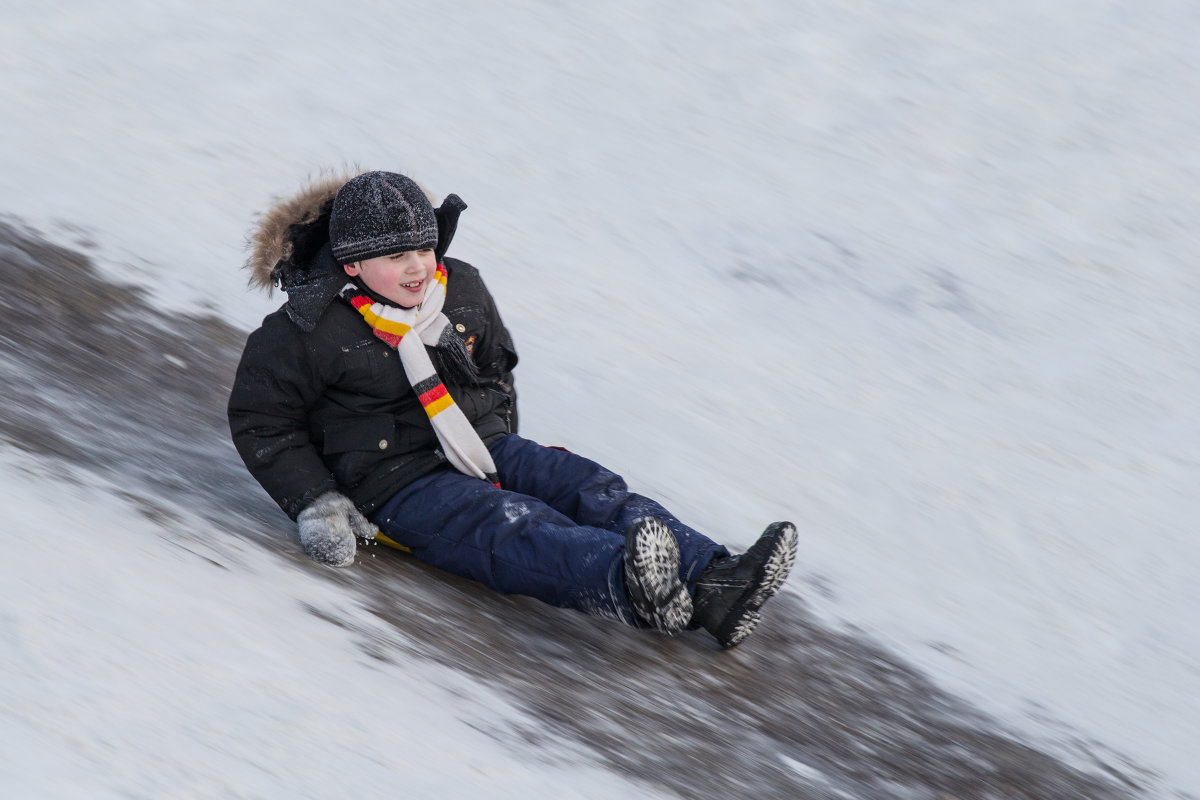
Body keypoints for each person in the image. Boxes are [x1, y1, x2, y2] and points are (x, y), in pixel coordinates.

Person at [228, 170, 797, 648]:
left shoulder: (462, 290)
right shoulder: (307, 331)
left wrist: (503, 445)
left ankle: (716, 577)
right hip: (395, 481)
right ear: (352, 265)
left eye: (424, 248)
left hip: (484, 444)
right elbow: (263, 420)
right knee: (515, 528)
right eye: (396, 255)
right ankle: (629, 583)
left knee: (586, 485)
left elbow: (497, 368)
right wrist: (315, 499)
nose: (417, 267)